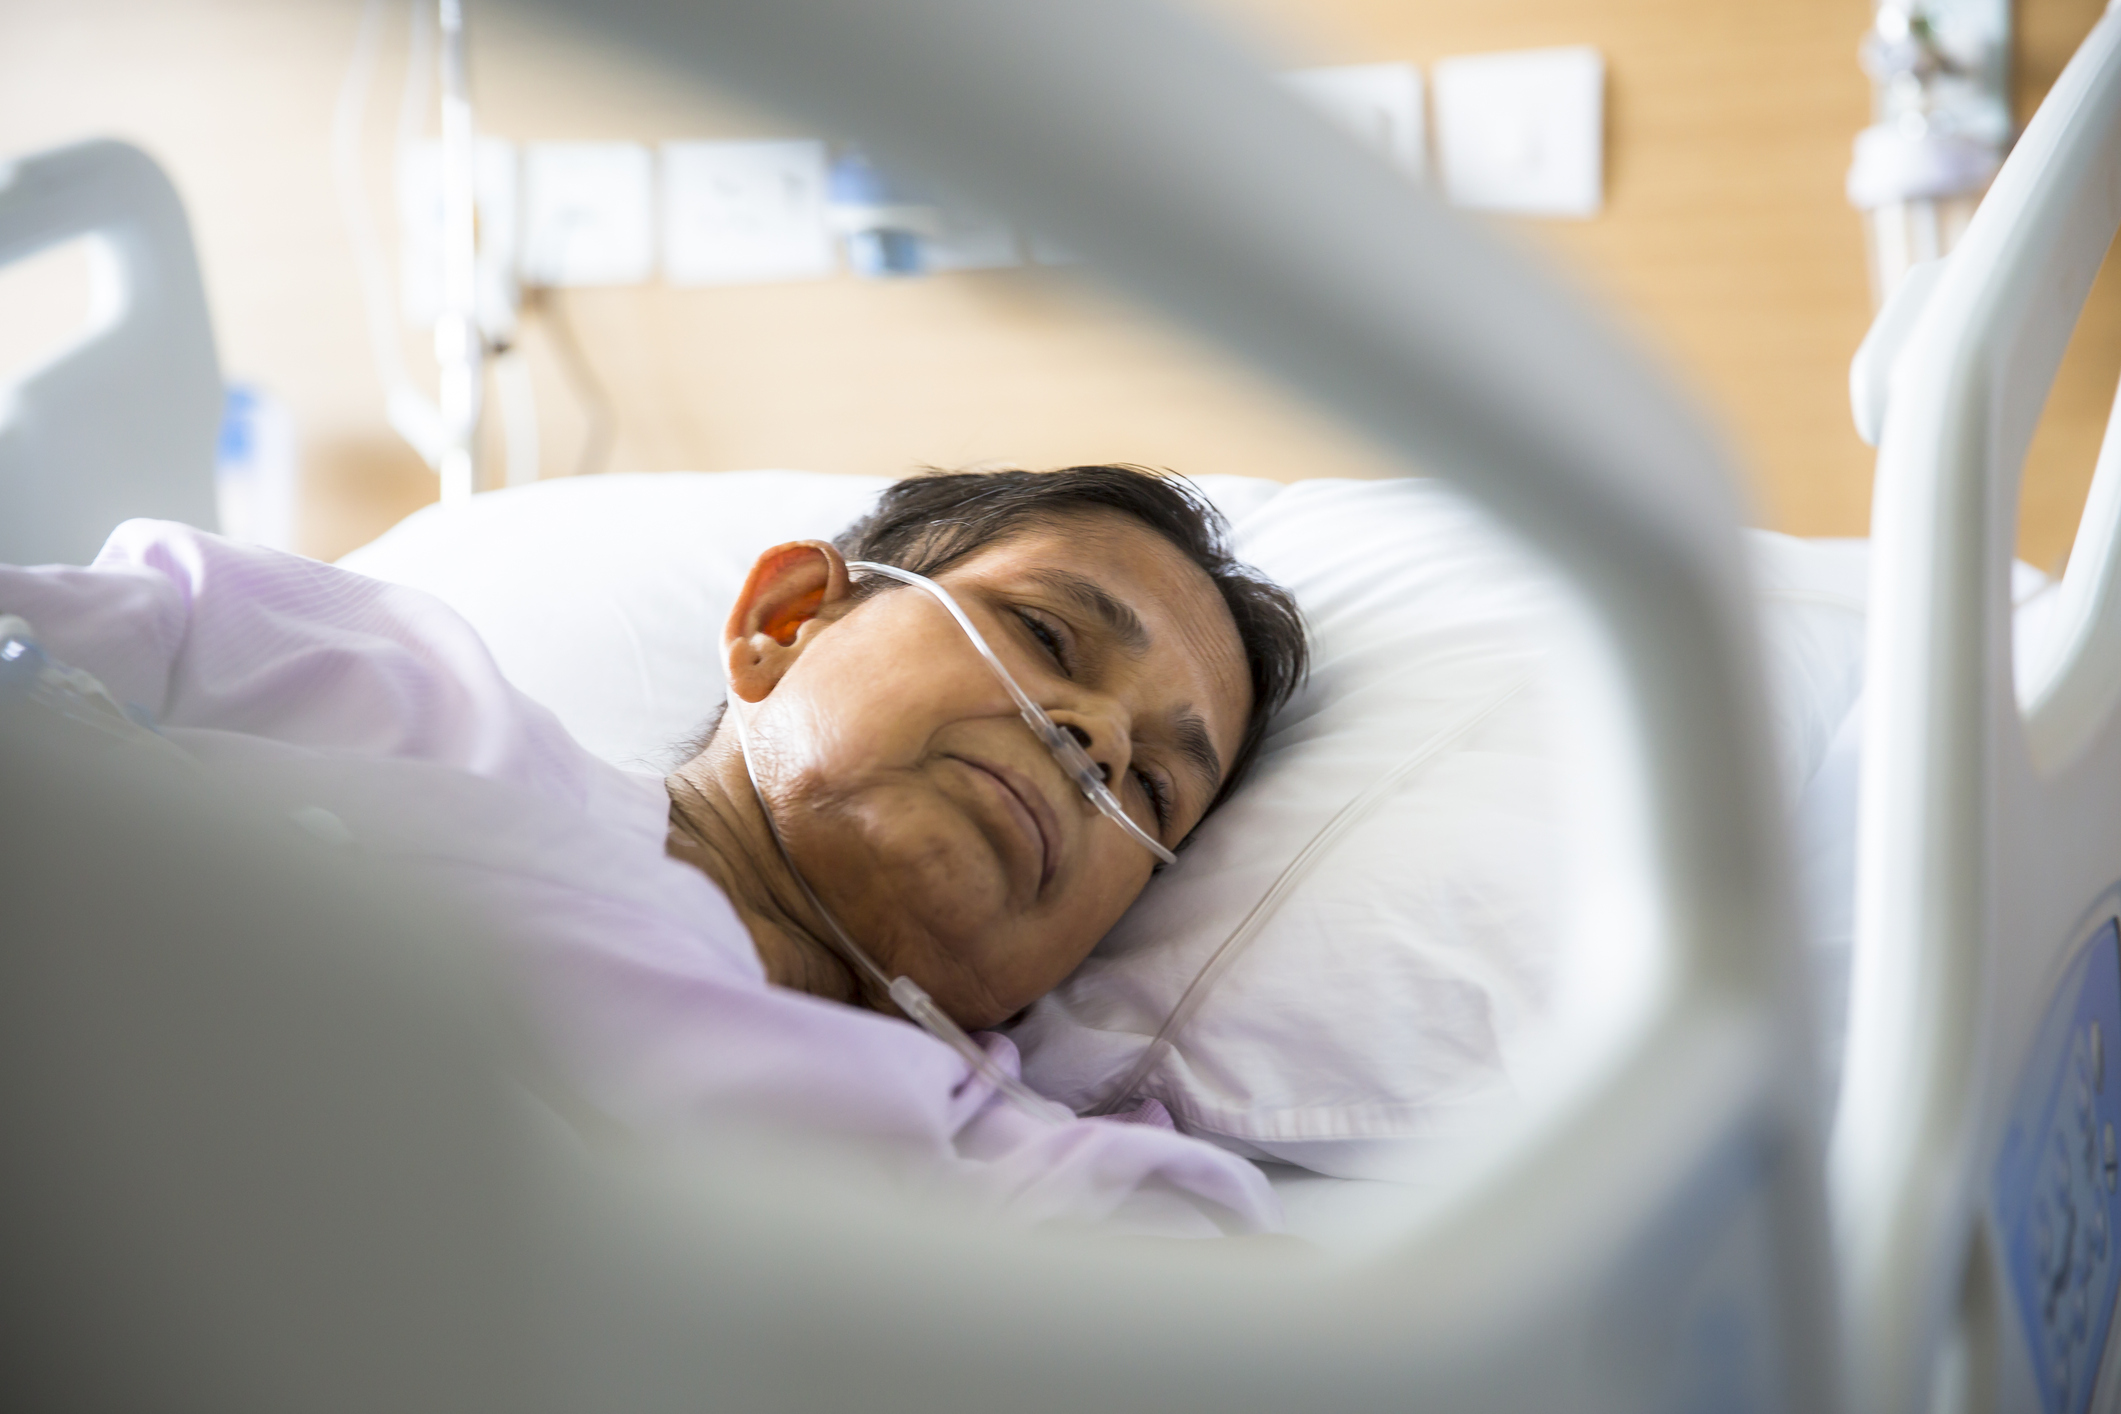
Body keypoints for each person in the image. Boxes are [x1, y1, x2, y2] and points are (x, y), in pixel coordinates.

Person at [0, 465, 1306, 1236]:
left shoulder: (1011, 1179)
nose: (1088, 738)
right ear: (784, 621)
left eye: (1151, 785)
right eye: (1048, 636)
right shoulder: (357, 677)